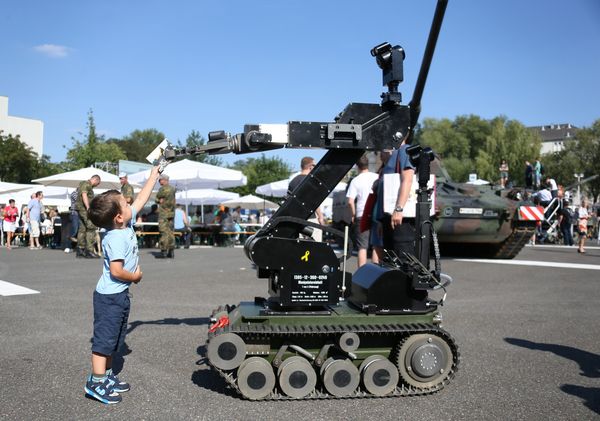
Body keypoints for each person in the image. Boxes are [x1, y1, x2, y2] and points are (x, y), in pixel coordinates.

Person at [84, 164, 161, 404]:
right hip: (109, 297)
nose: (130, 204)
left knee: (113, 340)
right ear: (118, 216)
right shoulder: (115, 238)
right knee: (103, 343)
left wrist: (153, 177)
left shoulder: (123, 223)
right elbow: (117, 271)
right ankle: (95, 383)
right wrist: (135, 277)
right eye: (125, 205)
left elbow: (141, 199)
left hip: (118, 296)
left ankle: (105, 376)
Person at [378, 138, 416, 257]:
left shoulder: (404, 150)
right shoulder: (393, 155)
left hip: (400, 219)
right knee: (390, 260)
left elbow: (407, 179)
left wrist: (399, 209)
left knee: (403, 260)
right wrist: (382, 220)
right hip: (389, 217)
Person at [346, 155, 378, 267]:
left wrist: (353, 215)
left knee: (362, 247)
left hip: (361, 214)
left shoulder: (355, 180)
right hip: (376, 213)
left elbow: (350, 201)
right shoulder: (377, 177)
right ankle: (376, 275)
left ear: (357, 166)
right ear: (367, 164)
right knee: (376, 246)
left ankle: (361, 274)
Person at [288, 156, 325, 241]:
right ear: (310, 166)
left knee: (299, 245)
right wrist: (320, 216)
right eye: (315, 165)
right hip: (311, 217)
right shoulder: (312, 181)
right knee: (316, 243)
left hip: (296, 218)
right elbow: (315, 201)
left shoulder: (293, 181)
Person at [76, 175, 102, 258]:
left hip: (80, 209)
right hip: (84, 209)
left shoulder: (83, 184)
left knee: (82, 229)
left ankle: (81, 250)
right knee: (91, 227)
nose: (96, 185)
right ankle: (89, 251)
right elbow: (84, 195)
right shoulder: (86, 184)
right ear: (95, 180)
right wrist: (88, 207)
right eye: (97, 184)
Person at [155, 173, 176, 258]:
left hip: (163, 213)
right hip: (171, 213)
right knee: (170, 232)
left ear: (164, 180)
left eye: (160, 180)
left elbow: (157, 199)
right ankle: (171, 250)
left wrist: (158, 200)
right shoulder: (173, 189)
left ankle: (164, 250)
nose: (159, 181)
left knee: (163, 232)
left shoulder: (162, 189)